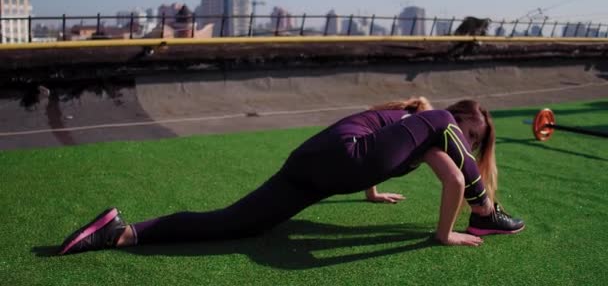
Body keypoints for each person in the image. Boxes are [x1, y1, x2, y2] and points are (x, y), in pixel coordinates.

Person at [57, 97, 524, 255]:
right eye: (468, 132)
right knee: (436, 119)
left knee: (236, 222)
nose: (467, 142)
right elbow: (457, 183)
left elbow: (383, 157)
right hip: (339, 154)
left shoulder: (419, 135)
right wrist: (446, 234)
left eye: (473, 140)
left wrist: (374, 193)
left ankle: (121, 232)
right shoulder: (433, 121)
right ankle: (488, 215)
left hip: (315, 169)